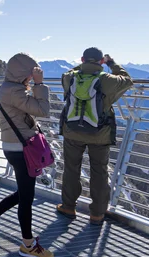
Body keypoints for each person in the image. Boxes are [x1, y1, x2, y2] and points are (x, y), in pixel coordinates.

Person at [0, 53, 54, 257]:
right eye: (29, 75)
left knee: (23, 193)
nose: (30, 79)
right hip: (21, 150)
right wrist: (40, 84)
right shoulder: (14, 91)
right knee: (26, 198)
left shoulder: (7, 88)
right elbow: (43, 110)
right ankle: (28, 245)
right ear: (22, 74)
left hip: (15, 147)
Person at [56, 48, 133, 225]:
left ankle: (68, 207)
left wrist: (84, 65)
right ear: (100, 62)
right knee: (99, 172)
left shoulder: (70, 77)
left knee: (71, 169)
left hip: (72, 131)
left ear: (82, 59)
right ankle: (97, 214)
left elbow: (66, 73)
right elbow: (128, 80)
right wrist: (111, 63)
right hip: (99, 134)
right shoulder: (107, 80)